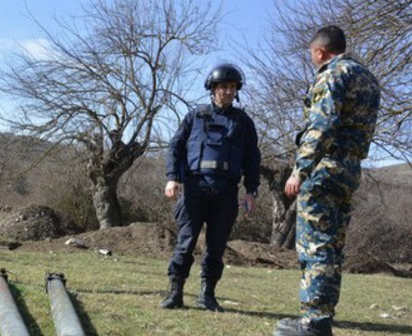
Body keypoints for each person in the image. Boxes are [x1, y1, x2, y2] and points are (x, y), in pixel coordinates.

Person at [275, 26, 380, 336]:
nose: (312, 62)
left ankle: (314, 322)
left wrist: (300, 170)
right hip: (350, 169)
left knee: (315, 243)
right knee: (333, 245)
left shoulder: (333, 74)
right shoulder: (367, 78)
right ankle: (323, 318)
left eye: (312, 56)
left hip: (324, 167)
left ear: (320, 52)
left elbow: (322, 126)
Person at [160, 63, 261, 312]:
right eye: (223, 87)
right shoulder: (196, 116)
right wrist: (172, 178)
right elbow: (176, 147)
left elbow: (252, 158)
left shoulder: (243, 121)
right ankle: (176, 293)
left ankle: (207, 295)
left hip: (227, 190)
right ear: (213, 89)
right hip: (195, 187)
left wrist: (251, 191)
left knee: (216, 245)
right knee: (186, 241)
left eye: (232, 87)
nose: (228, 91)